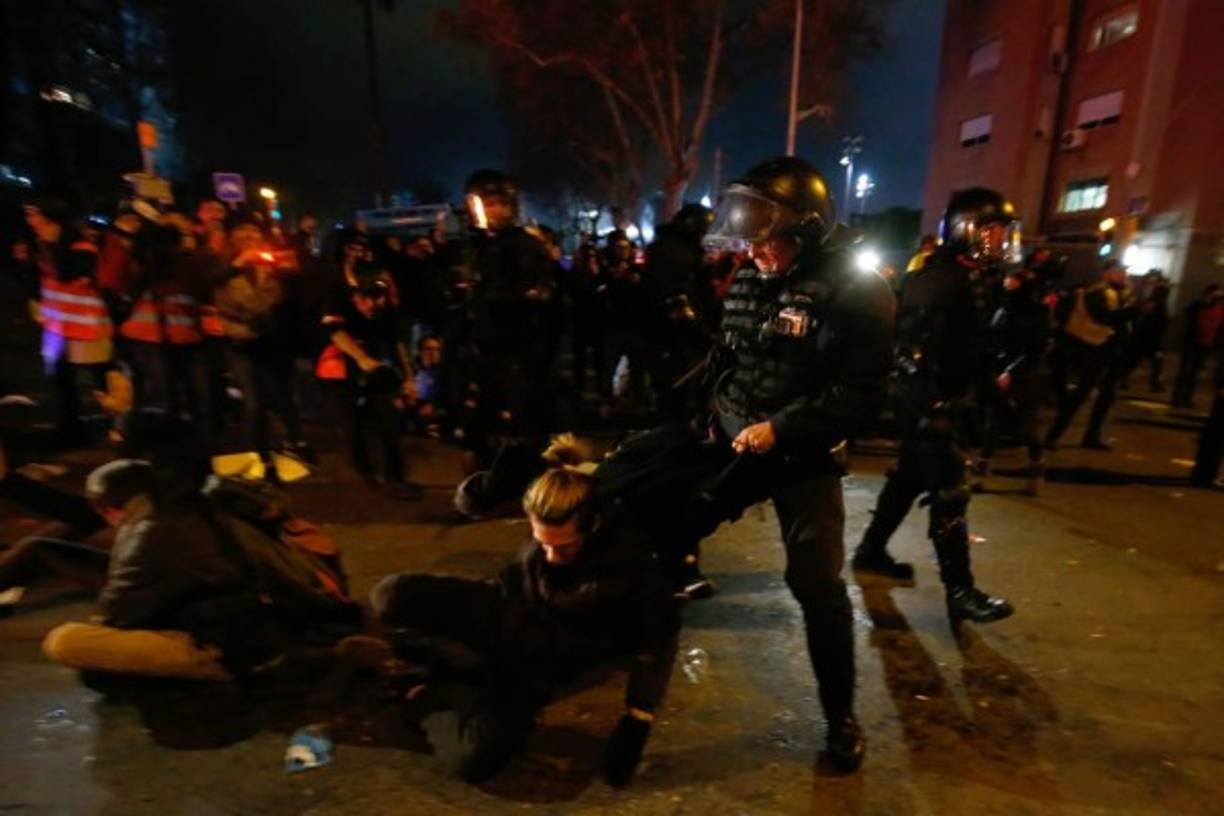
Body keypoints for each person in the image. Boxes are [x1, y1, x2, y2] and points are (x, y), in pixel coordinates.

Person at [686, 155, 895, 771]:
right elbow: (729, 360)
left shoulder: (857, 290)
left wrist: (780, 429)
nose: (752, 247)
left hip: (802, 454)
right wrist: (714, 415)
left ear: (805, 227)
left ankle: (841, 719)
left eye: (765, 231)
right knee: (665, 519)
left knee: (817, 584)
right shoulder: (749, 279)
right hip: (737, 441)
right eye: (746, 230)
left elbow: (861, 395)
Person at [370, 435, 678, 785]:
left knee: (473, 762)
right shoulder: (550, 490)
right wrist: (489, 484)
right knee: (390, 595)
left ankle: (434, 692)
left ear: (592, 525)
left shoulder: (631, 560)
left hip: (538, 659)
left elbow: (659, 639)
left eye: (564, 547)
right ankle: (456, 666)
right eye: (543, 544)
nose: (552, 557)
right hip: (507, 607)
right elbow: (469, 504)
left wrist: (637, 719)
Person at [854, 187, 1017, 625]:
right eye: (992, 230)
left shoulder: (974, 277)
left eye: (1003, 231)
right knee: (949, 492)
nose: (1000, 239)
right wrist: (932, 408)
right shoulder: (935, 280)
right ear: (967, 230)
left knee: (909, 478)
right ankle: (959, 590)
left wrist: (990, 388)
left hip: (947, 399)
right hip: (926, 401)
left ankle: (870, 550)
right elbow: (909, 353)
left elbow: (971, 346)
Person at [38, 459, 359, 680]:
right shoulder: (202, 506)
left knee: (64, 640)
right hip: (284, 621)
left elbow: (116, 616)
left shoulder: (151, 533)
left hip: (235, 651)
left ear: (108, 509)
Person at [206, 215, 310, 479]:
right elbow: (219, 291)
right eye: (243, 233)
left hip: (270, 339)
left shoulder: (268, 263)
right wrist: (238, 264)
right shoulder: (223, 265)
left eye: (254, 233)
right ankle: (259, 454)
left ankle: (293, 441)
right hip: (240, 340)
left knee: (282, 394)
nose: (250, 238)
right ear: (232, 239)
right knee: (254, 400)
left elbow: (283, 295)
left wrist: (290, 271)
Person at [316, 272, 422, 500]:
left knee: (388, 422)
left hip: (375, 371)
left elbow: (397, 343)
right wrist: (361, 358)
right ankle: (364, 474)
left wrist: (408, 378)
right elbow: (336, 333)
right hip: (340, 372)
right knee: (351, 427)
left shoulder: (385, 312)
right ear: (356, 296)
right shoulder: (338, 304)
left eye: (379, 297)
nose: (374, 304)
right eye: (368, 298)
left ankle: (395, 479)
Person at [25, 197, 112, 442]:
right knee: (61, 381)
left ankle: (117, 425)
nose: (30, 220)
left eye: (34, 214)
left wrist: (46, 244)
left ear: (51, 218)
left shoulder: (82, 247)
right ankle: (71, 428)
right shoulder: (40, 246)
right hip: (57, 326)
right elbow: (33, 282)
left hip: (86, 326)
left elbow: (64, 272)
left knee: (100, 379)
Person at [978, 249, 1054, 494]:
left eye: (1013, 286)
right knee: (992, 424)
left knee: (1027, 427)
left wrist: (1011, 372)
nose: (1008, 290)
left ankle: (1035, 473)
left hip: (1027, 375)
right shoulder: (1003, 311)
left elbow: (1035, 348)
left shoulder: (1037, 313)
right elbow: (992, 339)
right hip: (1002, 370)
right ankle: (982, 473)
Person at [1043, 258, 1136, 450]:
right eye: (1118, 271)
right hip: (1094, 349)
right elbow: (1105, 318)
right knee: (1080, 394)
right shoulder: (1096, 292)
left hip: (1112, 350)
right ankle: (1052, 437)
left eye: (1123, 272)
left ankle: (1092, 437)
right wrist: (1135, 310)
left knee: (1106, 397)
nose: (1122, 275)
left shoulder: (1123, 293)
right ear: (1106, 273)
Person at [1172, 283, 1224, 409]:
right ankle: (1178, 399)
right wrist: (1206, 300)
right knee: (1185, 372)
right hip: (1192, 343)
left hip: (1206, 344)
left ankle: (1186, 399)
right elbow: (1188, 309)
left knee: (1194, 374)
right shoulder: (1198, 306)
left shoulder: (1220, 310)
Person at [1122, 270, 1171, 393]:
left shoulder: (1157, 299)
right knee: (1135, 360)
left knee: (1152, 361)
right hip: (1145, 335)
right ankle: (1124, 380)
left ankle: (1153, 383)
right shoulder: (1150, 299)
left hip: (1149, 335)